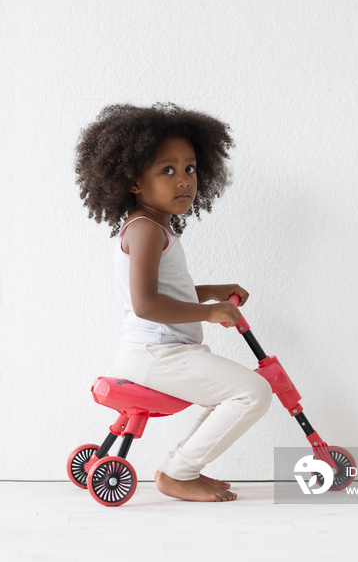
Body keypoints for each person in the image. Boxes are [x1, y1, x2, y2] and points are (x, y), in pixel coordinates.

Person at [74, 102, 273, 502]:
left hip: (161, 350)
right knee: (253, 392)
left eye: (190, 168)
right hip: (157, 353)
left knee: (233, 392)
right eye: (167, 170)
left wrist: (211, 292)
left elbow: (166, 293)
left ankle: (184, 467)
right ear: (132, 180)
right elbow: (146, 305)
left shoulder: (154, 227)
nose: (183, 180)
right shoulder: (146, 230)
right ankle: (179, 473)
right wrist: (208, 312)